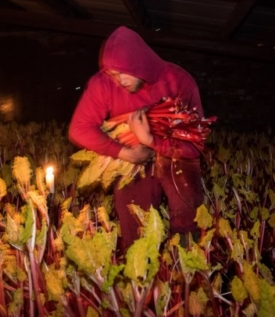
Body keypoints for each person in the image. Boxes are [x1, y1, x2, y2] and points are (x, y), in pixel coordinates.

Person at [68, 26, 205, 252]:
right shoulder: (104, 83)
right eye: (113, 74)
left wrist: (151, 140)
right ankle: (142, 273)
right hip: (131, 159)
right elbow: (79, 128)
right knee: (134, 223)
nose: (119, 80)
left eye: (124, 72)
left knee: (187, 210)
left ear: (140, 63)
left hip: (173, 155)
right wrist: (126, 153)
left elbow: (193, 147)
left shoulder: (178, 81)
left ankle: (186, 265)